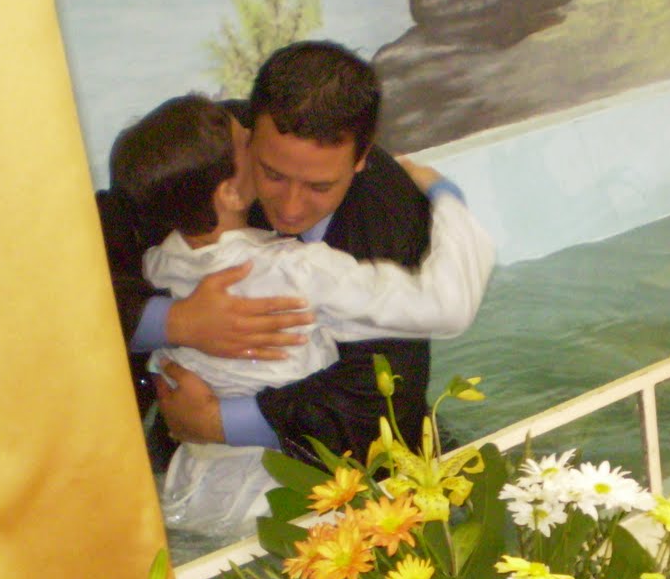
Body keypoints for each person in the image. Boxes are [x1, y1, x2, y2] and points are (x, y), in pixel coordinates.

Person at [109, 92, 493, 537]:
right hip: (295, 492)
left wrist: (174, 327)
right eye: (247, 140)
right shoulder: (297, 270)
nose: (255, 137)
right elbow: (445, 306)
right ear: (229, 191)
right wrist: (446, 198)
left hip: (196, 487)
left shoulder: (159, 264)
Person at [104, 41, 441, 467]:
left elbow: (386, 389)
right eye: (272, 174)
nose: (291, 209)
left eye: (320, 186)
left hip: (331, 457)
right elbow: (81, 269)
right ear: (249, 134)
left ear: (361, 157)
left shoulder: (392, 211)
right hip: (184, 450)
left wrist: (217, 422)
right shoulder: (206, 152)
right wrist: (177, 322)